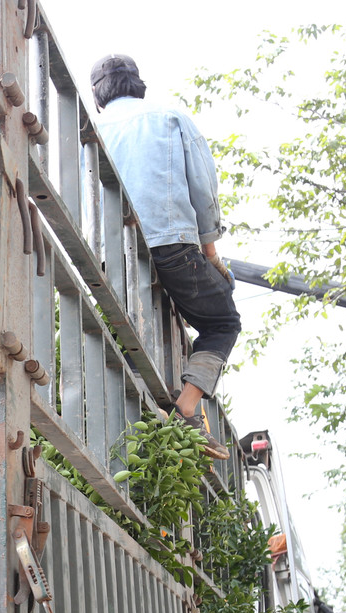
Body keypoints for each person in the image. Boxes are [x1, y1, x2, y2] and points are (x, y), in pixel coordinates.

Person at [91, 54, 241, 461]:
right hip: (173, 247)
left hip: (110, 256)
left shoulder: (89, 128)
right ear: (139, 86)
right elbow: (203, 189)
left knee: (126, 332)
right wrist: (210, 252)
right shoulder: (170, 117)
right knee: (222, 321)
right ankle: (186, 410)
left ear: (98, 97)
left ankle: (134, 414)